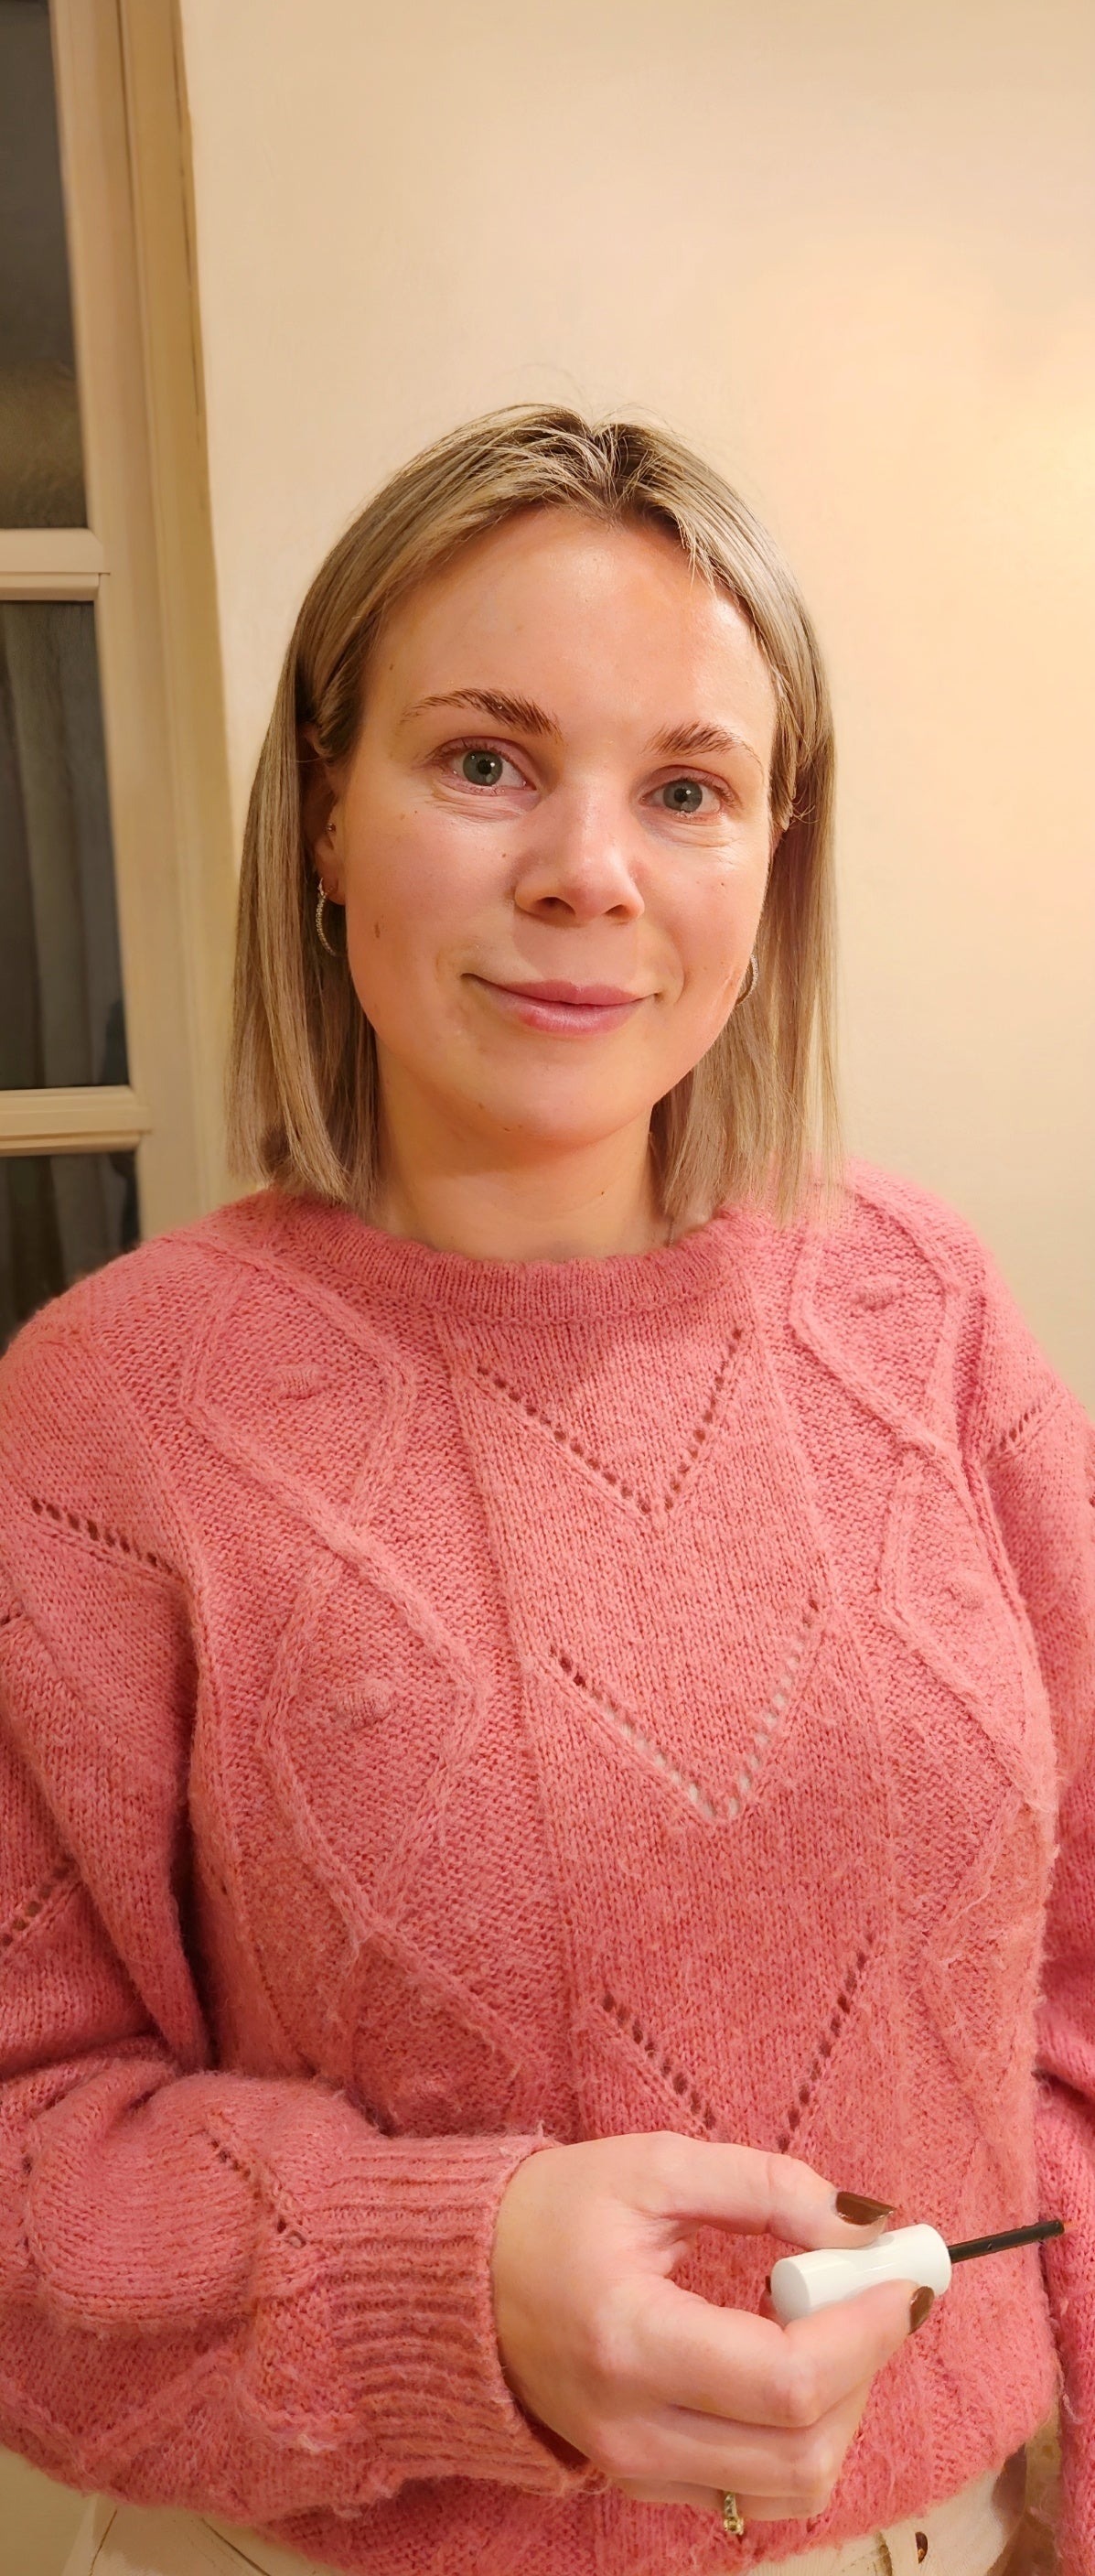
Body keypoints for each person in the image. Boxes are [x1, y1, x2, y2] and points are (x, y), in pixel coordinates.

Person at [0, 408, 1087, 2576]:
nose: (589, 869)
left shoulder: (925, 1312)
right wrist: (445, 2283)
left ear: (770, 857)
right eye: (485, 761)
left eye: (685, 789)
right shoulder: (106, 1420)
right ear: (325, 813)